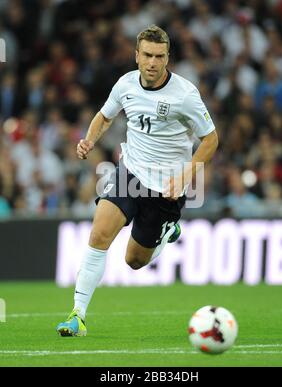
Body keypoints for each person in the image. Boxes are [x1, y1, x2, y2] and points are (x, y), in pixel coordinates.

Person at [56, 25, 218, 337]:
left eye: (159, 56)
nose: (152, 63)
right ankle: (78, 315)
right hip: (130, 173)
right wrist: (88, 140)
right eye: (147, 55)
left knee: (134, 260)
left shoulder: (185, 95)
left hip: (167, 188)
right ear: (137, 55)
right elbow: (105, 116)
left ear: (167, 57)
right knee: (100, 233)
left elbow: (211, 139)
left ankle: (167, 230)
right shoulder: (125, 84)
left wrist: (188, 172)